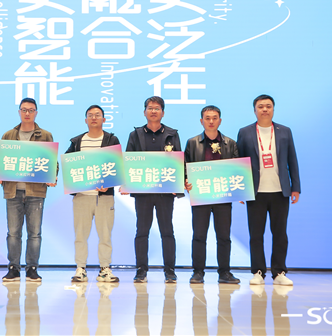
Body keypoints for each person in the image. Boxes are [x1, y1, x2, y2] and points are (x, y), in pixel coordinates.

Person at [237, 95, 301, 286]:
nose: (264, 109)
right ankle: (258, 272)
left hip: (280, 191)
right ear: (254, 110)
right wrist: (240, 188)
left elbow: (292, 160)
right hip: (255, 191)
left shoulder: (285, 131)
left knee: (280, 234)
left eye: (268, 106)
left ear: (273, 109)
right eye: (260, 106)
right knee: (256, 234)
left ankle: (279, 272)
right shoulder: (245, 132)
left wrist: (296, 187)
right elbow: (240, 161)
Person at [0, 98, 56, 282]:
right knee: (13, 232)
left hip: (36, 191)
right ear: (19, 112)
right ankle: (13, 268)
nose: (27, 113)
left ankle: (32, 268)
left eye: (31, 110)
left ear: (36, 113)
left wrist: (52, 176)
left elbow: (52, 161)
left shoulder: (45, 135)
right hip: (13, 190)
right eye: (24, 110)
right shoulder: (9, 135)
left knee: (34, 233)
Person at [124, 96, 182, 284]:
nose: (153, 111)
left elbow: (178, 162)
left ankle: (170, 271)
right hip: (143, 192)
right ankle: (141, 270)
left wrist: (177, 184)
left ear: (163, 113)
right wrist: (126, 183)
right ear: (144, 112)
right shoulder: (135, 135)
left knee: (167, 231)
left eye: (157, 108)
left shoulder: (172, 134)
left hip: (165, 193)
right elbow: (129, 161)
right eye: (150, 108)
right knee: (142, 231)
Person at [184, 105, 241, 284]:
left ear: (220, 121)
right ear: (201, 121)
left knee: (224, 236)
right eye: (207, 118)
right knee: (199, 235)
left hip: (223, 196)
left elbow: (237, 169)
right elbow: (185, 166)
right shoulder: (192, 143)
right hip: (201, 195)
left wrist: (240, 189)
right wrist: (186, 181)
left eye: (214, 118)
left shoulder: (230, 143)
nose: (211, 121)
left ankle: (224, 272)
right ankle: (197, 272)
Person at [65, 105, 120, 283]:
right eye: (90, 115)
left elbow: (117, 165)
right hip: (82, 196)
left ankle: (105, 269)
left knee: (105, 235)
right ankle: (80, 268)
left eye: (97, 115)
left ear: (104, 119)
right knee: (80, 235)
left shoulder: (111, 140)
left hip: (104, 196)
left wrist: (108, 184)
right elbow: (68, 165)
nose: (94, 118)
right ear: (85, 120)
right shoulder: (77, 142)